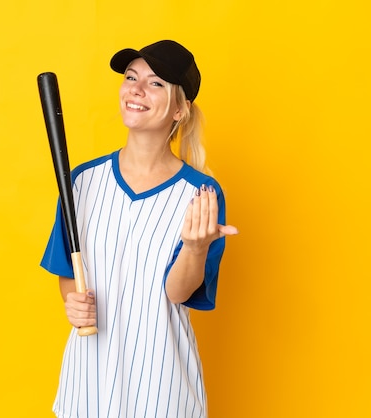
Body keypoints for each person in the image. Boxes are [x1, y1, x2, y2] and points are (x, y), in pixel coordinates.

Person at [41, 39, 238, 418]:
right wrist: (73, 301)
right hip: (87, 383)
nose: (136, 89)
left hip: (162, 386)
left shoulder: (200, 195)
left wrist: (196, 248)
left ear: (180, 109)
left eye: (155, 83)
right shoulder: (82, 181)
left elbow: (178, 293)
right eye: (132, 77)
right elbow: (68, 271)